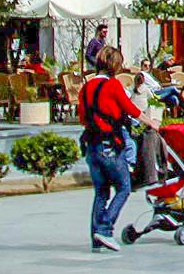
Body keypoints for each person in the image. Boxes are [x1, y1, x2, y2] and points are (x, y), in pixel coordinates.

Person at [78, 46, 141, 253]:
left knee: (101, 192)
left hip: (91, 145)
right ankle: (105, 230)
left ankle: (96, 238)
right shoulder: (113, 86)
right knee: (124, 187)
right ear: (115, 65)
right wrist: (152, 123)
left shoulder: (86, 87)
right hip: (109, 144)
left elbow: (82, 118)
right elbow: (131, 110)